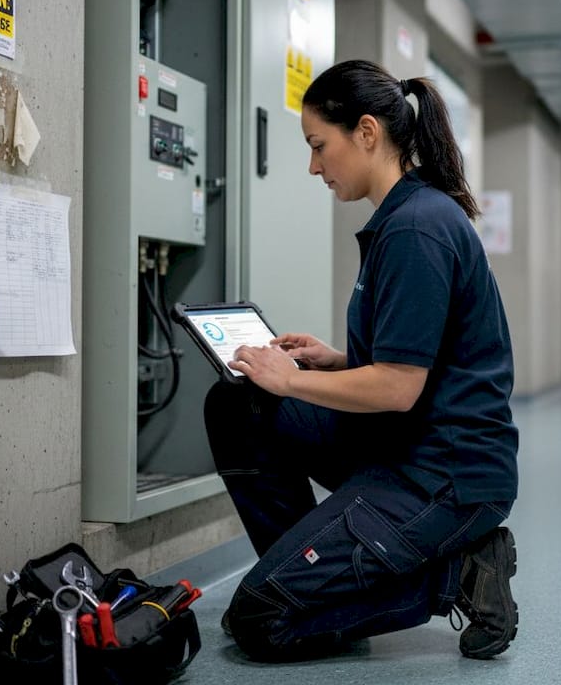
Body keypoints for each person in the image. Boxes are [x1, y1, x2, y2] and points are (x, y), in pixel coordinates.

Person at [203, 59, 519, 662]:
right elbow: (425, 356)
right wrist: (334, 360)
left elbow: (400, 387)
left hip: (444, 474)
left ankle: (457, 574)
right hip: (404, 444)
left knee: (261, 620)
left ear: (367, 133)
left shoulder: (416, 229)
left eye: (320, 146)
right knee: (239, 403)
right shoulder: (405, 217)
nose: (314, 165)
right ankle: (308, 574)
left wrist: (293, 383)